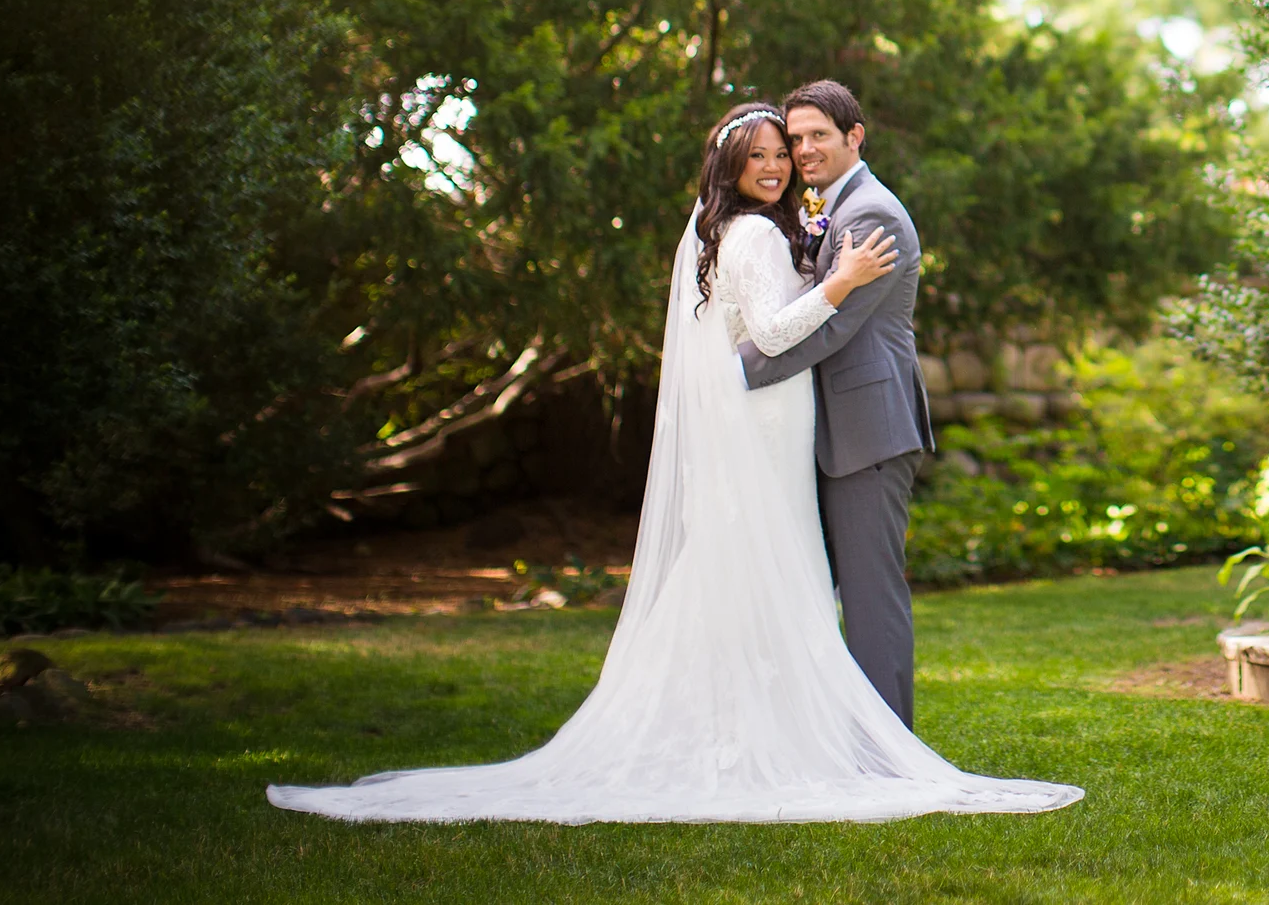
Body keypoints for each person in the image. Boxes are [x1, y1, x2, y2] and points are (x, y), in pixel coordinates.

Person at [265, 103, 1082, 824]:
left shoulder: (836, 218)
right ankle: (800, 739)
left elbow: (784, 334)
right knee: (770, 571)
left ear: (850, 137)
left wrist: (788, 325)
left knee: (780, 576)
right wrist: (831, 289)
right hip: (769, 414)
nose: (782, 160)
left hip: (811, 420)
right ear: (730, 167)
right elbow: (775, 330)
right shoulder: (760, 229)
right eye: (767, 150)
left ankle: (837, 737)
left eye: (793, 145)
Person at [735, 80, 928, 726]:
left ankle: (888, 750)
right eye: (795, 138)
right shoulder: (832, 206)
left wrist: (734, 374)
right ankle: (844, 737)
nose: (803, 149)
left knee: (872, 599)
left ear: (855, 136)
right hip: (834, 430)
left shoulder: (869, 214)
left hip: (869, 432)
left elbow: (833, 325)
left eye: (818, 134)